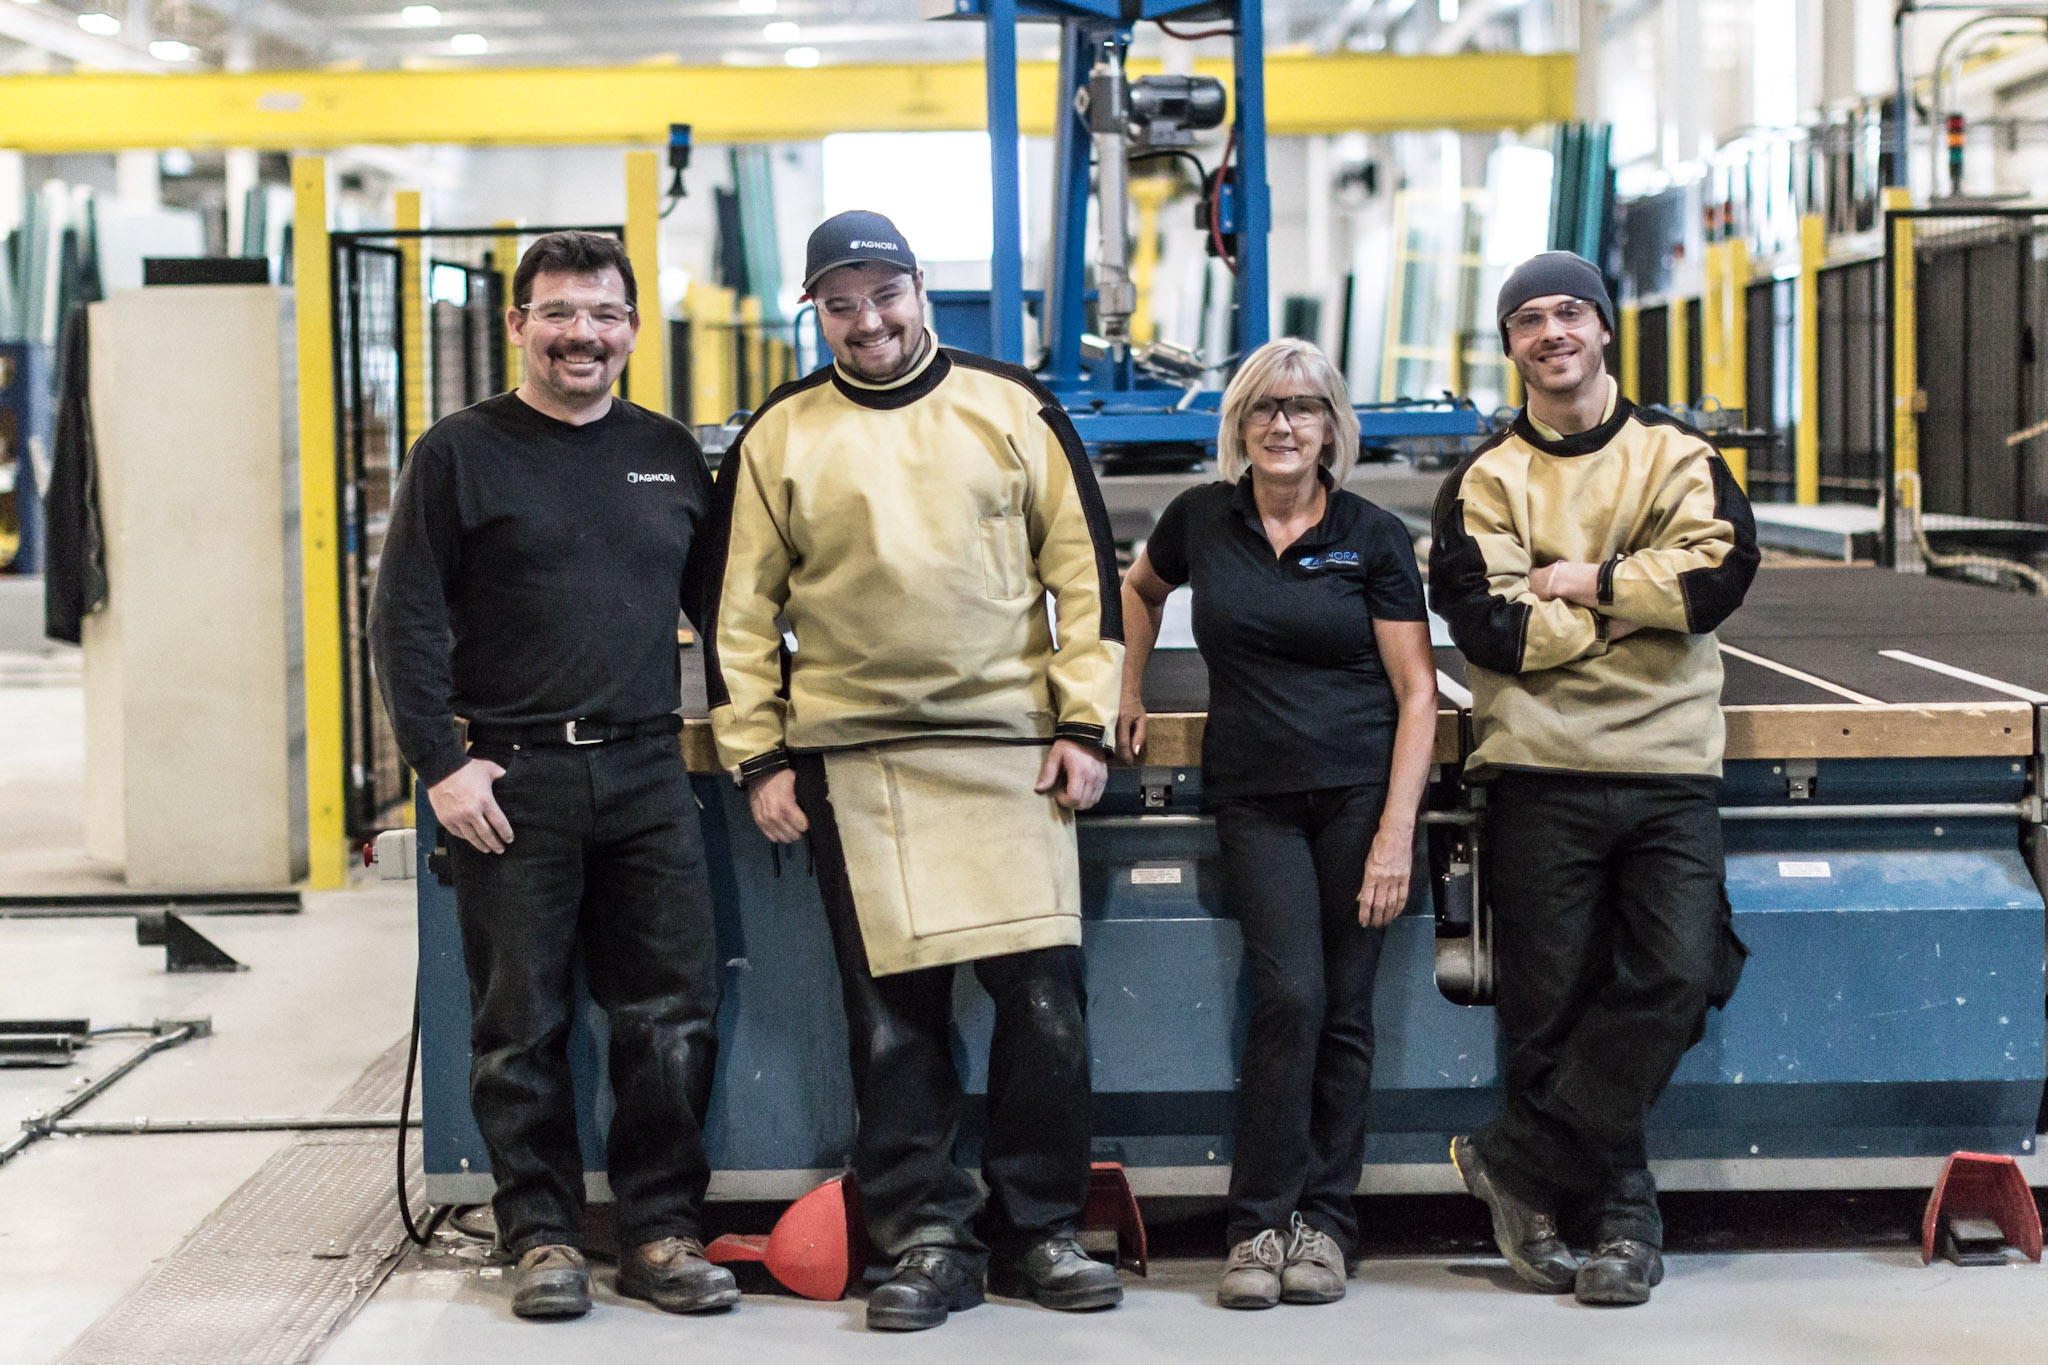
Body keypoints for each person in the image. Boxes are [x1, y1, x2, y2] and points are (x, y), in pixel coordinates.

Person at [702, 210, 1127, 1332]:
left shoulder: (1008, 407)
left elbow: (1082, 573)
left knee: (1044, 1012)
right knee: (893, 1021)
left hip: (1006, 753)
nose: (865, 322)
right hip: (858, 762)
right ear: (817, 312)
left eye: (881, 296)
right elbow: (737, 613)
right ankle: (927, 1238)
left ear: (919, 289)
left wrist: (1082, 727)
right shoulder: (781, 435)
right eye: (838, 304)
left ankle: (1039, 1228)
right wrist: (758, 756)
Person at [370, 230, 737, 1322]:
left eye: (605, 315)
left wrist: (755, 738)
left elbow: (725, 615)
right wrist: (439, 766)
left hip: (645, 772)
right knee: (516, 1022)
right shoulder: (460, 453)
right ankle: (539, 1237)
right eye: (561, 313)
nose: (584, 334)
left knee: (672, 1014)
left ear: (630, 329)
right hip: (509, 781)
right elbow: (405, 621)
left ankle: (661, 1231)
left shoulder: (669, 453)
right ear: (519, 325)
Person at [1428, 250, 1757, 1307]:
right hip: (1537, 768)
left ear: (1604, 327)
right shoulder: (1483, 480)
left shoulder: (1677, 454)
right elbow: (1486, 625)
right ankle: (1617, 1219)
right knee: (1545, 1008)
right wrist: (1627, 609)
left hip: (1665, 766)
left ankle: (1515, 1161)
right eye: (1528, 320)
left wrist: (1582, 580)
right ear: (1511, 345)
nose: (1551, 332)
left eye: (1568, 312)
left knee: (1680, 970)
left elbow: (1713, 581)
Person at [1116, 338, 1437, 1309]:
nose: (1282, 424)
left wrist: (1392, 834)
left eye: (1301, 408)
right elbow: (1137, 588)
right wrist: (1124, 683)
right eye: (1263, 408)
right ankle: (1256, 1224)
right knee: (1289, 996)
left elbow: (1415, 695)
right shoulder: (1200, 520)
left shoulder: (1370, 535)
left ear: (1330, 425)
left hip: (1355, 798)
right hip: (1254, 797)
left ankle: (1324, 1225)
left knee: (1342, 1012)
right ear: (1239, 424)